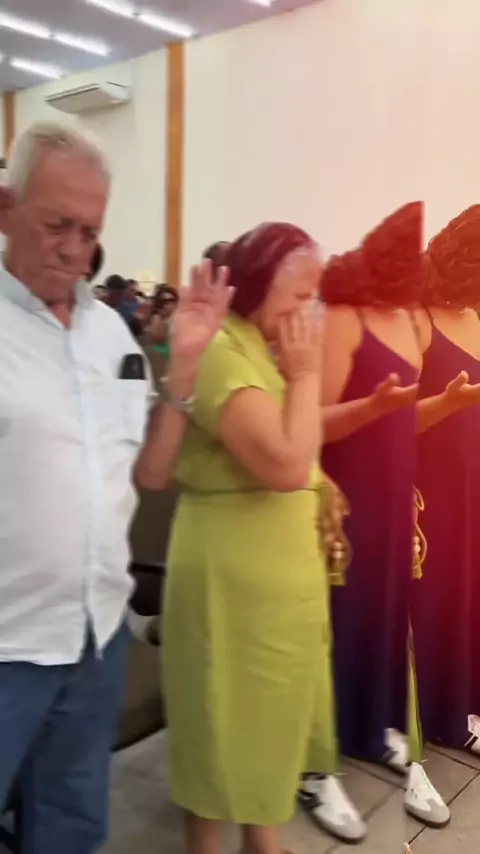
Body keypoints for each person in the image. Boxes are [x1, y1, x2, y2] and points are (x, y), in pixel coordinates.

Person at [0, 120, 231, 854]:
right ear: (6, 209)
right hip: (8, 642)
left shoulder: (109, 336)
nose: (75, 250)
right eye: (56, 225)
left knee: (70, 828)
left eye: (90, 231)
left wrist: (183, 372)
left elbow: (149, 473)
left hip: (97, 637)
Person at [140, 221, 363, 854]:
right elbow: (285, 464)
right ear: (260, 286)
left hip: (278, 585)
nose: (309, 312)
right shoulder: (219, 352)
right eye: (301, 296)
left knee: (268, 724)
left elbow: (302, 434)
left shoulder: (260, 347)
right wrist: (307, 373)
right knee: (218, 723)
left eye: (316, 297)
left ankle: (261, 836)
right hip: (229, 581)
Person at [298, 203, 449, 831]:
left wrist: (449, 403)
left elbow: (401, 420)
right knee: (338, 616)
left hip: (394, 491)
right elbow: (318, 425)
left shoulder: (410, 322)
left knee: (387, 616)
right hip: (348, 492)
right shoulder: (344, 318)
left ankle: (379, 730)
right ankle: (315, 761)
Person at [412, 205, 480, 753]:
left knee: (472, 592)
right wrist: (448, 404)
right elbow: (390, 419)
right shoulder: (417, 320)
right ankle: (443, 714)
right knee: (442, 594)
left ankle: (470, 703)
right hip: (433, 483)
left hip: (473, 477)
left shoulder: (474, 316)